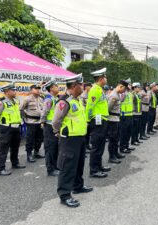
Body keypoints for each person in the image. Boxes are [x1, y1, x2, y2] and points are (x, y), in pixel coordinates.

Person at [52, 74, 93, 208]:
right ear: (75, 86)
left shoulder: (77, 100)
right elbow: (56, 121)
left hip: (80, 137)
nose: (83, 87)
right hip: (69, 139)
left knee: (79, 164)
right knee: (68, 167)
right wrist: (59, 133)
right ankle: (64, 195)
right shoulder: (65, 102)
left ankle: (77, 186)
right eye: (80, 85)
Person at [0, 83, 25, 176]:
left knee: (15, 147)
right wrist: (1, 126)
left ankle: (15, 163)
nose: (15, 92)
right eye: (13, 90)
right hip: (5, 128)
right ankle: (0, 169)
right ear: (7, 92)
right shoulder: (1, 102)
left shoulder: (15, 101)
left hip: (16, 127)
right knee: (4, 149)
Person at [86, 68, 111, 178]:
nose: (106, 79)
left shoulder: (99, 89)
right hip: (97, 122)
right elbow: (90, 106)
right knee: (96, 146)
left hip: (102, 120)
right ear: (101, 79)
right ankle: (94, 170)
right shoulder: (95, 90)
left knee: (101, 145)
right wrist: (87, 120)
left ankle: (99, 165)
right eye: (105, 77)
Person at [20, 83, 44, 163]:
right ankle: (29, 154)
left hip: (39, 122)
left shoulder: (41, 99)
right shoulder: (27, 99)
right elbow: (21, 109)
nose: (38, 90)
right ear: (31, 90)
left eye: (38, 88)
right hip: (31, 122)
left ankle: (36, 152)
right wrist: (24, 118)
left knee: (39, 138)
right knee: (30, 139)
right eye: (35, 88)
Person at [41, 80, 60, 176]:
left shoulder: (55, 98)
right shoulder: (49, 99)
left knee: (56, 147)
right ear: (51, 88)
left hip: (54, 126)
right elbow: (44, 113)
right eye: (56, 86)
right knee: (50, 148)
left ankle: (56, 166)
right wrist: (43, 123)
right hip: (49, 126)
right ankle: (50, 169)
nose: (58, 87)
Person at [107, 80, 128, 164]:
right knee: (112, 139)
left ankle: (115, 153)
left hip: (116, 119)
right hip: (112, 120)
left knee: (116, 138)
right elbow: (108, 109)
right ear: (120, 86)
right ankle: (111, 157)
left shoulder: (117, 95)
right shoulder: (113, 96)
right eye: (124, 89)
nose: (124, 91)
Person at [119, 78, 135, 153]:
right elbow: (120, 100)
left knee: (129, 132)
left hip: (130, 115)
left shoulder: (130, 93)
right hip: (124, 116)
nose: (130, 85)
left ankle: (127, 146)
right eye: (129, 84)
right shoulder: (123, 93)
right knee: (123, 133)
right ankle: (122, 148)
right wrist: (124, 92)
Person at [80, 82, 93, 152]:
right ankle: (84, 147)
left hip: (89, 116)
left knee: (88, 133)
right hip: (84, 116)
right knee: (84, 133)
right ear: (86, 87)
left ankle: (87, 145)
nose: (90, 88)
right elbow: (82, 106)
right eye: (89, 87)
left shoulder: (91, 94)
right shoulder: (83, 95)